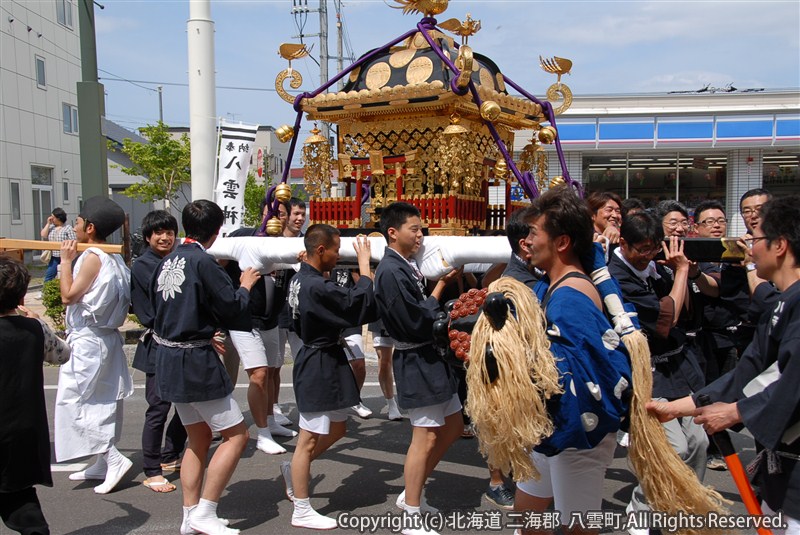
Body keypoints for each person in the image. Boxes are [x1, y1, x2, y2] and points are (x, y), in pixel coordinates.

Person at [646, 194, 800, 535]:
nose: (748, 249)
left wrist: (734, 413)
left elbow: (794, 383)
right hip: (781, 472)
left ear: (780, 246)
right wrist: (677, 407)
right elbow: (748, 372)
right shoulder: (780, 304)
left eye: (755, 239)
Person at [515, 188, 631, 535]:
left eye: (534, 233)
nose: (527, 242)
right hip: (551, 425)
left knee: (578, 527)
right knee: (528, 512)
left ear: (562, 242)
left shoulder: (569, 298)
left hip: (577, 430)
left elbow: (578, 377)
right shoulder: (555, 286)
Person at [151, 200, 259, 535]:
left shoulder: (167, 261)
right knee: (237, 435)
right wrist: (246, 285)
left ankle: (190, 513)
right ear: (217, 231)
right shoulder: (204, 262)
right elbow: (232, 309)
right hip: (195, 361)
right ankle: (205, 511)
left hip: (168, 356)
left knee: (197, 438)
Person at [608, 210, 708, 534]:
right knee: (671, 448)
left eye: (654, 247)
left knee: (699, 442)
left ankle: (684, 506)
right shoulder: (614, 276)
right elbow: (668, 319)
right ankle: (642, 507)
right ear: (623, 242)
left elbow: (689, 313)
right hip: (646, 372)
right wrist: (680, 274)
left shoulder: (656, 268)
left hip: (680, 367)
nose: (648, 255)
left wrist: (685, 275)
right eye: (642, 249)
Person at [280, 225, 377, 529]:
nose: (339, 255)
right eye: (336, 250)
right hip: (317, 363)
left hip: (326, 358)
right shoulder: (314, 286)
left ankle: (293, 468)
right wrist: (364, 265)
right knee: (307, 440)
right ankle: (302, 508)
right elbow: (355, 305)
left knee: (337, 429)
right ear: (320, 250)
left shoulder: (301, 278)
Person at [374, 202, 462, 535]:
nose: (421, 235)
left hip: (430, 358)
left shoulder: (404, 265)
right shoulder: (391, 271)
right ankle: (411, 512)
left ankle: (413, 490)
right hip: (416, 359)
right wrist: (439, 288)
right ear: (393, 233)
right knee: (423, 438)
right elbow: (414, 320)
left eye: (422, 229)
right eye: (415, 229)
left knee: (453, 426)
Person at [54, 196, 134, 495]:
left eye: (76, 222)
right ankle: (101, 461)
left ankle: (113, 458)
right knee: (101, 402)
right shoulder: (113, 257)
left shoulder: (93, 257)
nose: (73, 227)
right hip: (102, 339)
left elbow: (68, 296)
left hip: (89, 340)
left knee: (77, 402)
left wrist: (64, 262)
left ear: (89, 227)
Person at [0, 257, 70, 535]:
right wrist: (40, 322)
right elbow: (63, 354)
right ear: (21, 295)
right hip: (22, 429)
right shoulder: (35, 329)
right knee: (20, 497)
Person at [224, 198, 296, 456]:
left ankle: (271, 421)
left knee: (273, 372)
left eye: (282, 213)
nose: (277, 216)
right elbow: (218, 261)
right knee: (259, 375)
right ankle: (262, 433)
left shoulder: (288, 246)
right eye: (271, 211)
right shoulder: (244, 237)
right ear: (263, 213)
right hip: (245, 320)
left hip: (272, 320)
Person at [130, 210, 186, 492]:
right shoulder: (144, 265)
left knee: (189, 404)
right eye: (158, 233)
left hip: (182, 342)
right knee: (158, 409)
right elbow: (152, 313)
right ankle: (151, 469)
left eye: (169, 232)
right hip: (159, 344)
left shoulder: (175, 260)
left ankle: (170, 454)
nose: (165, 237)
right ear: (148, 236)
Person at [331, 267, 373, 418]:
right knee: (331, 366)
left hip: (349, 319)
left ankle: (354, 399)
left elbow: (364, 285)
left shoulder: (351, 259)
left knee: (359, 364)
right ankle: (333, 402)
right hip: (328, 317)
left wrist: (356, 271)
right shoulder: (328, 256)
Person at [39, 207, 76, 283]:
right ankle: (47, 291)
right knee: (49, 276)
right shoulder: (51, 227)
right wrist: (48, 223)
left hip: (65, 256)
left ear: (58, 218)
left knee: (65, 276)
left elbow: (74, 241)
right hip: (54, 257)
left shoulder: (68, 228)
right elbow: (43, 235)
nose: (51, 219)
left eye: (53, 217)